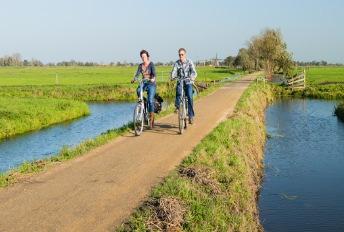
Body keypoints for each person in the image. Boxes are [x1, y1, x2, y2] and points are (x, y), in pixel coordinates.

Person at [170, 48, 197, 124]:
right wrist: (172, 76)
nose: (180, 56)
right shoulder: (177, 63)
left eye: (182, 54)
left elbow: (194, 72)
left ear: (185, 54)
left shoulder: (189, 62)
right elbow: (174, 71)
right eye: (179, 54)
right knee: (178, 91)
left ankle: (191, 115)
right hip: (181, 81)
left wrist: (191, 77)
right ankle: (177, 107)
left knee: (189, 96)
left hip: (188, 81)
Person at [131, 50, 157, 129]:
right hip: (144, 82)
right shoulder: (140, 65)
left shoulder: (151, 64)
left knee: (150, 100)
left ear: (147, 57)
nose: (143, 58)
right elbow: (137, 74)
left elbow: (154, 74)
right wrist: (134, 79)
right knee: (138, 90)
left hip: (151, 83)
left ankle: (151, 119)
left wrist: (153, 78)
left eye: (144, 57)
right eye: (142, 57)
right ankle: (143, 102)